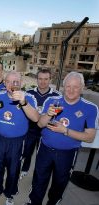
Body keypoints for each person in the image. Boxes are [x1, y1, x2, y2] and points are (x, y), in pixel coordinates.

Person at [25, 72, 98, 205]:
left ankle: (52, 203)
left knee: (59, 183)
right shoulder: (52, 101)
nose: (71, 90)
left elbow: (90, 137)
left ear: (82, 88)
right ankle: (33, 202)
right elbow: (40, 124)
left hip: (68, 153)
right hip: (45, 149)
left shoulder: (90, 108)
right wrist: (48, 114)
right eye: (68, 86)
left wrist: (65, 131)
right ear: (63, 87)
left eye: (75, 87)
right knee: (39, 180)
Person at [0, 71, 39, 205]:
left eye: (16, 82)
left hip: (18, 142)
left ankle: (10, 193)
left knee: (13, 170)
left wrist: (23, 102)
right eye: (9, 81)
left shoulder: (29, 98)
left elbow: (36, 118)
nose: (12, 85)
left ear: (21, 83)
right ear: (5, 83)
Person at [20, 69, 60, 179]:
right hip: (31, 129)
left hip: (46, 130)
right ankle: (25, 168)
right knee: (27, 150)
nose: (43, 82)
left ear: (50, 79)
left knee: (41, 155)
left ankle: (37, 174)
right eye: (40, 79)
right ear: (36, 79)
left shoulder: (57, 96)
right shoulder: (29, 93)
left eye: (46, 79)